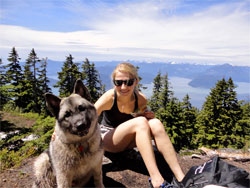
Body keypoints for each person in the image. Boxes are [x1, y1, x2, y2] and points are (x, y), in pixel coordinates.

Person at [95, 62, 185, 188]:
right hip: (107, 140)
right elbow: (89, 116)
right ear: (114, 82)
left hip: (125, 140)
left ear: (136, 82)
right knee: (141, 123)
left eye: (129, 82)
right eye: (118, 82)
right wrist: (58, 133)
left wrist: (145, 116)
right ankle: (156, 178)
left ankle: (181, 177)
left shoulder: (140, 99)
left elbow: (136, 121)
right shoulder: (110, 97)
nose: (123, 87)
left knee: (156, 123)